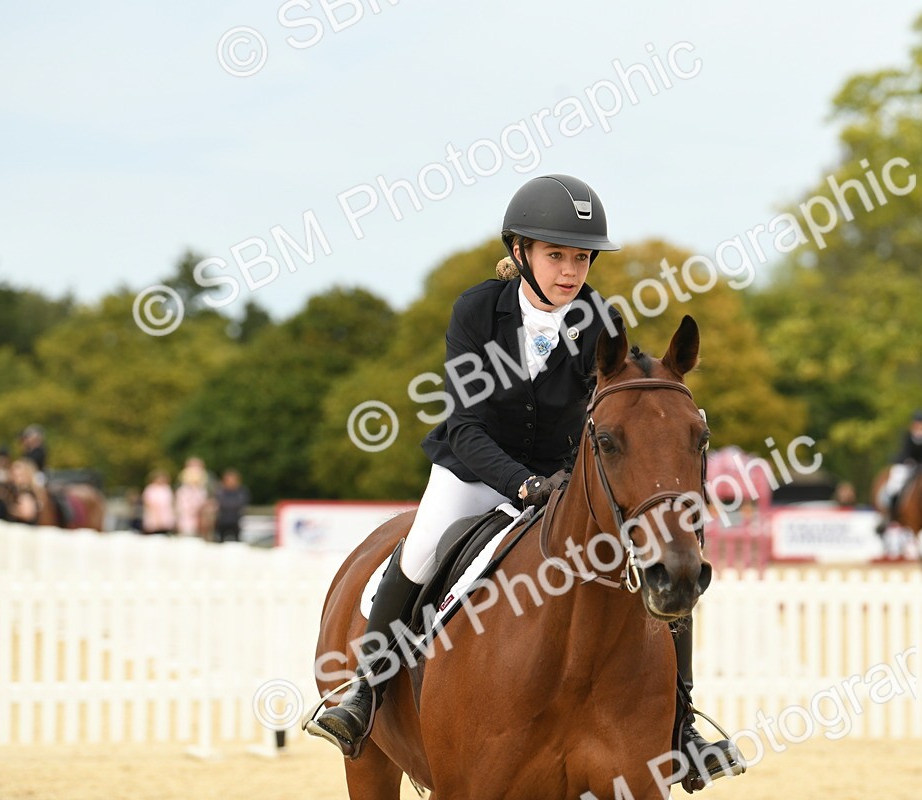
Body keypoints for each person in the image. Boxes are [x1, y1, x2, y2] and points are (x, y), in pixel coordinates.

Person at [310, 174, 739, 784]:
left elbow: (624, 392)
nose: (570, 270)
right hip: (476, 468)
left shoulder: (597, 317)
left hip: (565, 480)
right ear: (521, 253)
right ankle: (365, 694)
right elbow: (465, 425)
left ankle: (683, 724)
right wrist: (519, 484)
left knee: (663, 558)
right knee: (424, 548)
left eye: (581, 257)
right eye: (556, 255)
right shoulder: (477, 311)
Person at [876, 409, 922, 534]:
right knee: (895, 485)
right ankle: (887, 515)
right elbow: (904, 452)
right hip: (904, 465)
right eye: (920, 423)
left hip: (920, 469)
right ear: (915, 424)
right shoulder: (907, 436)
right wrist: (909, 462)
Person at [213, 469, 250, 543]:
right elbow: (221, 503)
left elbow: (240, 503)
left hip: (237, 521)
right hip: (222, 522)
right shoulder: (220, 492)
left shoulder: (241, 491)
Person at [175, 457, 208, 538]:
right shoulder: (183, 490)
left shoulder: (202, 490)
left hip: (200, 521)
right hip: (187, 521)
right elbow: (181, 508)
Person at [141, 470, 175, 535]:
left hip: (165, 515)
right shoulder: (150, 489)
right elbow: (148, 502)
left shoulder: (166, 488)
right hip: (154, 514)